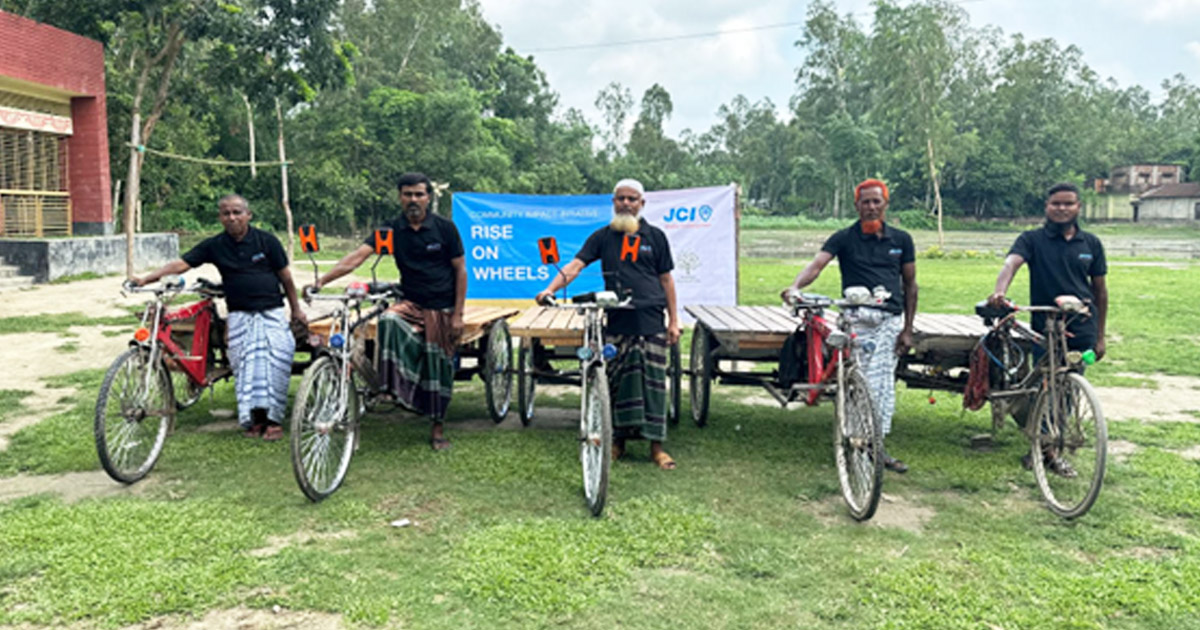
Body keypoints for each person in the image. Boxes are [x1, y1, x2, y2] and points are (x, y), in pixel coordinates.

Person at [311, 173, 467, 450]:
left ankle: (438, 428)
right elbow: (356, 258)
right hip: (411, 302)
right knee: (388, 320)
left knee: (438, 363)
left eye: (419, 194)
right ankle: (396, 389)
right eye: (407, 194)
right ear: (400, 198)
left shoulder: (444, 228)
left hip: (442, 306)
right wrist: (321, 281)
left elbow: (460, 270)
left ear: (428, 197)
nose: (413, 200)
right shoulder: (390, 230)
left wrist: (457, 314)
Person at [133, 194, 306, 441]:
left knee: (276, 363)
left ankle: (273, 420)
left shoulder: (267, 241)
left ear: (248, 215)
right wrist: (145, 279)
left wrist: (296, 309)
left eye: (237, 212)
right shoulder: (214, 245)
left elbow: (286, 278)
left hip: (271, 314)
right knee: (243, 367)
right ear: (220, 217)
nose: (232, 217)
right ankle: (253, 420)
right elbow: (181, 265)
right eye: (226, 213)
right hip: (239, 317)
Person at [535, 178, 682, 470]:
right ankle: (617, 443)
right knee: (615, 381)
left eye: (632, 199)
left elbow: (666, 280)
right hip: (617, 319)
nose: (626, 203)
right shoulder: (603, 237)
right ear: (613, 202)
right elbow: (575, 265)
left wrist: (674, 320)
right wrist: (549, 290)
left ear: (642, 204)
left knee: (653, 385)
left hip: (651, 318)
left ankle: (657, 447)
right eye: (621, 199)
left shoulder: (656, 237)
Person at [780, 179, 917, 473]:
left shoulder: (902, 240)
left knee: (879, 386)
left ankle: (873, 445)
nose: (871, 207)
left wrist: (908, 329)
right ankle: (857, 441)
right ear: (856, 205)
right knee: (857, 382)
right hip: (855, 320)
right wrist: (795, 287)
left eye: (876, 202)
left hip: (889, 321)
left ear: (885, 204)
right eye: (865, 202)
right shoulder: (843, 238)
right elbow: (816, 266)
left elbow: (910, 285)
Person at [988, 182, 1108, 476]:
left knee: (1068, 389)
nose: (1062, 209)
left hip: (1081, 328)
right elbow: (1011, 264)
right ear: (1047, 207)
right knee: (1044, 385)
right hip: (1046, 326)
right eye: (1056, 204)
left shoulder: (1090, 244)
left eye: (1068, 204)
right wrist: (999, 293)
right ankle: (1044, 447)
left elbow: (1100, 291)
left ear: (1078, 207)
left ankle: (1049, 447)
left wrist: (1101, 335)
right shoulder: (1032, 239)